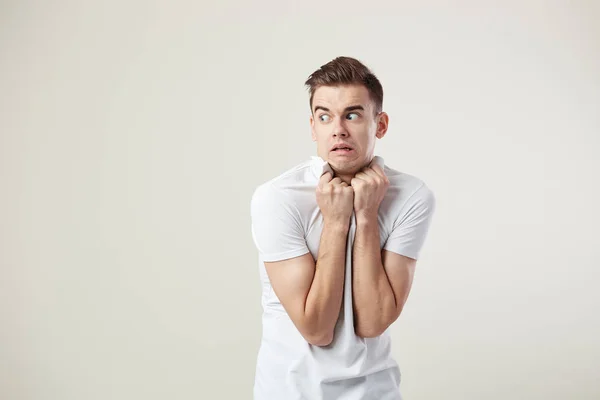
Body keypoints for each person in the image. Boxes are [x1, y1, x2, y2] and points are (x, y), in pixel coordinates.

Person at [250, 56, 436, 400]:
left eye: (352, 114)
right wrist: (336, 222)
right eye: (325, 116)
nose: (338, 129)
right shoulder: (277, 198)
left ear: (380, 124)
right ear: (312, 127)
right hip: (290, 392)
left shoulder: (411, 196)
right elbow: (316, 328)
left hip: (375, 391)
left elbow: (373, 321)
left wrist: (365, 216)